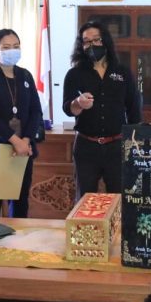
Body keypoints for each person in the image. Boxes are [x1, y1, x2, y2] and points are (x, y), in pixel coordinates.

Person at [62, 22, 141, 199]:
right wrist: (78, 103)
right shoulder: (74, 74)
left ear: (105, 41)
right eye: (86, 41)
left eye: (96, 40)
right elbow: (68, 108)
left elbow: (134, 109)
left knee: (119, 199)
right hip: (86, 146)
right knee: (84, 198)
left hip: (117, 146)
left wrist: (134, 142)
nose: (91, 45)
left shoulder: (122, 72)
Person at [0, 29, 42, 217]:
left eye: (16, 46)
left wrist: (25, 140)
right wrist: (15, 141)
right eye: (6, 47)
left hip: (22, 150)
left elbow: (35, 111)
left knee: (19, 206)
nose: (12, 50)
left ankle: (16, 238)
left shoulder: (25, 75)